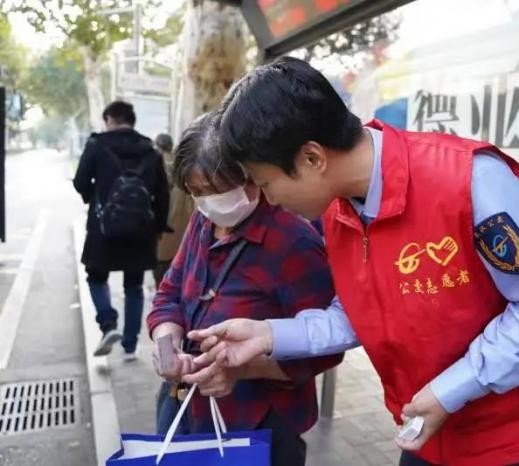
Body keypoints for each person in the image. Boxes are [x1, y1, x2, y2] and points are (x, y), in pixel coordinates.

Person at [187, 57, 519, 466]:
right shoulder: (339, 209)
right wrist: (269, 335)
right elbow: (358, 312)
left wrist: (452, 389)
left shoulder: (469, 181)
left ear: (312, 158)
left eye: (267, 183)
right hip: (426, 434)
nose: (270, 200)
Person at [147, 112, 343, 466]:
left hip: (257, 420)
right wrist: (167, 346)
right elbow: (169, 293)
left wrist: (244, 369)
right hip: (185, 406)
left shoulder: (293, 241)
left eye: (218, 190)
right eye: (197, 192)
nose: (209, 202)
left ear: (250, 175)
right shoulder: (203, 222)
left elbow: (325, 350)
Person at [73, 101, 170, 361]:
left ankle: (108, 324)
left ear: (110, 119)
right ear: (131, 120)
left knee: (95, 276)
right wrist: (160, 226)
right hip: (141, 229)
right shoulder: (151, 150)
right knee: (134, 285)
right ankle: (130, 346)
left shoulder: (97, 145)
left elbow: (80, 181)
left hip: (103, 227)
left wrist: (94, 197)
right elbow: (162, 193)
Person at [153, 133, 194, 287]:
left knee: (162, 282)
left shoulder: (154, 165)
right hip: (183, 236)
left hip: (161, 235)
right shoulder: (182, 167)